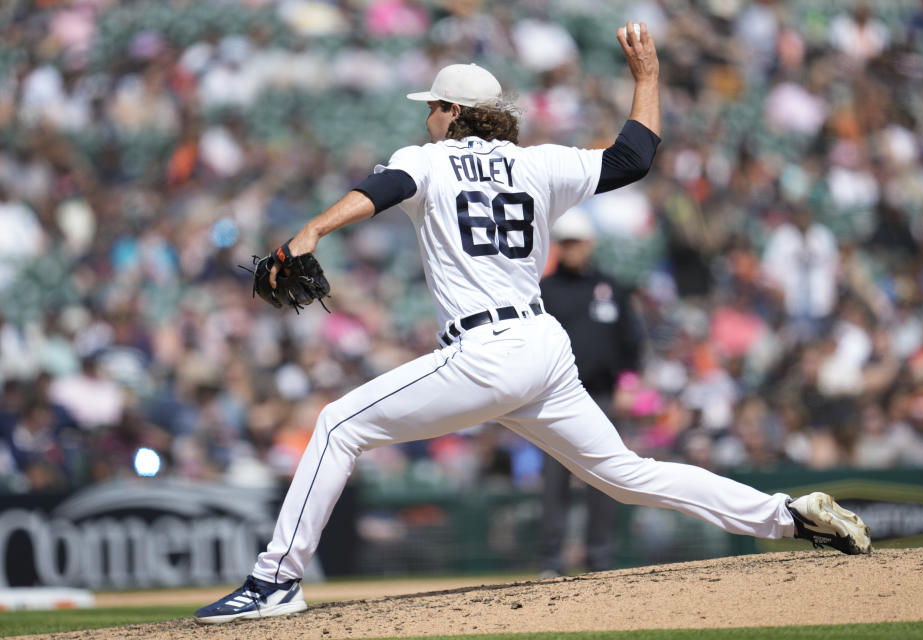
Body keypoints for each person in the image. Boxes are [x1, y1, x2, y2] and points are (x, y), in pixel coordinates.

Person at [195, 22, 872, 625]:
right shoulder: (539, 163)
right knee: (626, 474)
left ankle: (275, 580)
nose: (428, 117)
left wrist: (310, 230)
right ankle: (788, 514)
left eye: (433, 107)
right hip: (544, 349)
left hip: (488, 351)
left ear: (453, 112)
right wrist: (648, 79)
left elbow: (383, 192)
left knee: (341, 424)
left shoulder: (425, 160)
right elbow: (634, 156)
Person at [538, 208, 641, 575]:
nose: (572, 249)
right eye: (565, 243)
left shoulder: (610, 287)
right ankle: (552, 562)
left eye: (577, 242)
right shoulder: (544, 290)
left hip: (602, 396)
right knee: (554, 484)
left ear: (590, 244)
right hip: (555, 399)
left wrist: (628, 385)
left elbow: (631, 342)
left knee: (605, 478)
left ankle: (600, 560)